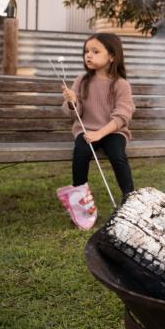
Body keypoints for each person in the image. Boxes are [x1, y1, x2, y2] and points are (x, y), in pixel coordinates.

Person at [57, 33, 135, 229]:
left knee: (118, 155)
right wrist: (72, 101)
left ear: (112, 56)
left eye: (95, 51)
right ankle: (80, 203)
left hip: (112, 131)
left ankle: (130, 200)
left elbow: (122, 116)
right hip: (87, 130)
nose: (88, 56)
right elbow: (74, 114)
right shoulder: (82, 80)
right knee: (81, 153)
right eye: (86, 51)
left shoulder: (120, 84)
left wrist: (100, 134)